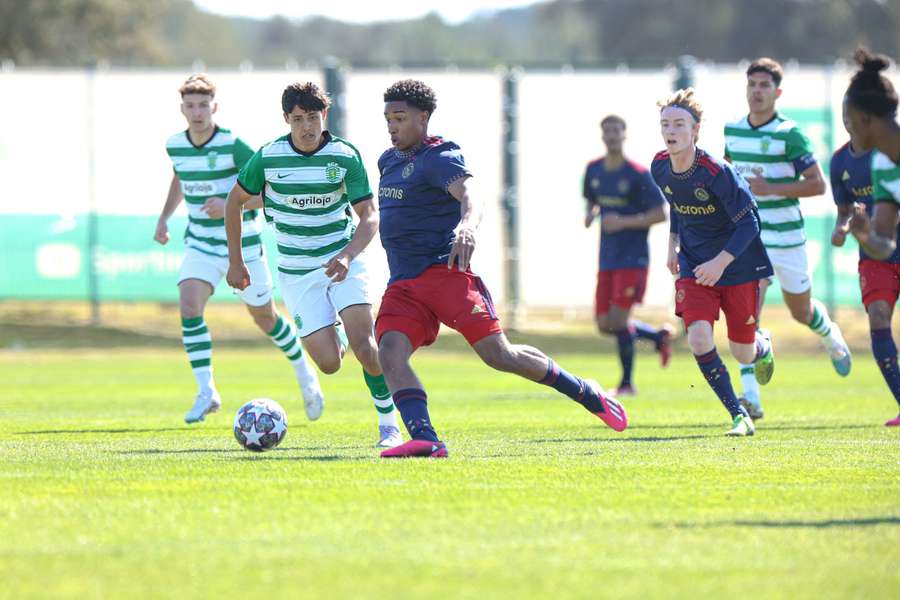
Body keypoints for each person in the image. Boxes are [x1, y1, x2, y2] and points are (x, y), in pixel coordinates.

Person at [374, 79, 628, 458]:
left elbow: (472, 196)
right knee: (390, 350)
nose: (392, 126)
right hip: (404, 282)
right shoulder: (388, 161)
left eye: (400, 117)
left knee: (499, 355)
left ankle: (585, 392)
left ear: (423, 118)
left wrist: (467, 227)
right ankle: (426, 438)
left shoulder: (439, 156)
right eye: (387, 119)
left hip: (445, 274)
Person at [224, 82, 402, 448]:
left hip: (343, 262)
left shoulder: (344, 155)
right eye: (298, 119)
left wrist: (348, 255)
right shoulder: (268, 157)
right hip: (297, 273)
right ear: (286, 120)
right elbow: (234, 202)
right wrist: (236, 262)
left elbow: (369, 216)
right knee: (329, 364)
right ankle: (333, 331)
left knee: (366, 346)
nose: (307, 127)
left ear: (325, 116)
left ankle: (389, 425)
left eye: (313, 117)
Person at [155, 73, 322, 424]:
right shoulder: (175, 144)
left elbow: (267, 190)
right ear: (182, 109)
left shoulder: (233, 144)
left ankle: (305, 373)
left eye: (203, 105)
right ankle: (206, 392)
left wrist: (232, 204)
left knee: (265, 319)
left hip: (242, 247)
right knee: (188, 304)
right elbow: (179, 177)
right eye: (190, 106)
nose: (197, 112)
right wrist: (164, 217)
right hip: (200, 244)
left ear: (214, 107)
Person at [724, 57, 851, 420]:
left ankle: (829, 333)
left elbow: (817, 184)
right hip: (750, 239)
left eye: (765, 86)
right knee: (746, 316)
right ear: (746, 89)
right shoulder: (733, 130)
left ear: (777, 92)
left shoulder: (789, 133)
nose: (757, 91)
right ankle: (750, 400)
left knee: (801, 311)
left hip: (788, 237)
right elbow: (728, 178)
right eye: (752, 85)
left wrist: (771, 187)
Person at [653, 88, 775, 437]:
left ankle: (762, 346)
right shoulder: (660, 167)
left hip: (735, 266)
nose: (671, 131)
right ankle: (739, 415)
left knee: (743, 352)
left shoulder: (716, 171)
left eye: (679, 124)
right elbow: (677, 204)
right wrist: (672, 244)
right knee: (699, 339)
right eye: (665, 124)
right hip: (693, 264)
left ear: (696, 131)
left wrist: (721, 263)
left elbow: (750, 223)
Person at [582, 114, 673, 396]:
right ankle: (657, 336)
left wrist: (622, 221)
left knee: (619, 321)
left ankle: (627, 384)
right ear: (602, 135)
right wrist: (591, 213)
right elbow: (592, 198)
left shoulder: (637, 173)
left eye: (616, 130)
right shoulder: (594, 170)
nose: (611, 135)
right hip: (607, 256)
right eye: (607, 130)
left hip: (633, 258)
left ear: (624, 134)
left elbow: (660, 213)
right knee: (604, 324)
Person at [841, 48, 900, 427]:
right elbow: (885, 244)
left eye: (848, 120)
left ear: (863, 119)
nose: (846, 128)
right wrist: (863, 234)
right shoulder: (881, 163)